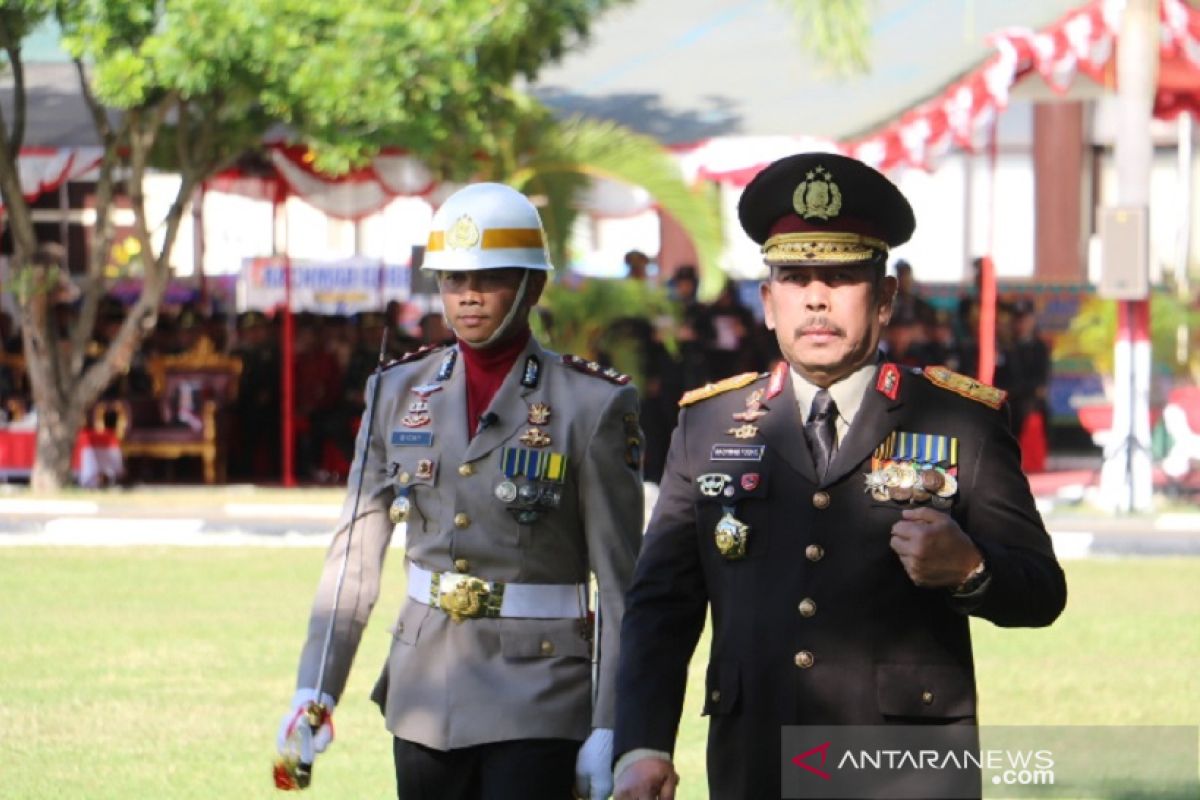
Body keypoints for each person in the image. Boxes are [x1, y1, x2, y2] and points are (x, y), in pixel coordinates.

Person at [612, 153, 1067, 800]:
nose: (817, 297)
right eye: (796, 277)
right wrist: (643, 745)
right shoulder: (708, 426)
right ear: (768, 303)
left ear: (884, 299)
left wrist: (971, 570)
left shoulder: (960, 420)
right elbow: (661, 608)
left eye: (841, 276)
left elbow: (1042, 591)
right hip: (756, 762)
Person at [277, 183, 645, 800]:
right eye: (452, 278)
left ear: (533, 287)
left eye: (490, 277)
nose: (468, 295)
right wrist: (316, 686)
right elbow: (354, 555)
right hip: (424, 689)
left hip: (541, 693)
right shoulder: (396, 391)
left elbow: (619, 586)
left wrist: (613, 724)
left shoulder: (592, 404)